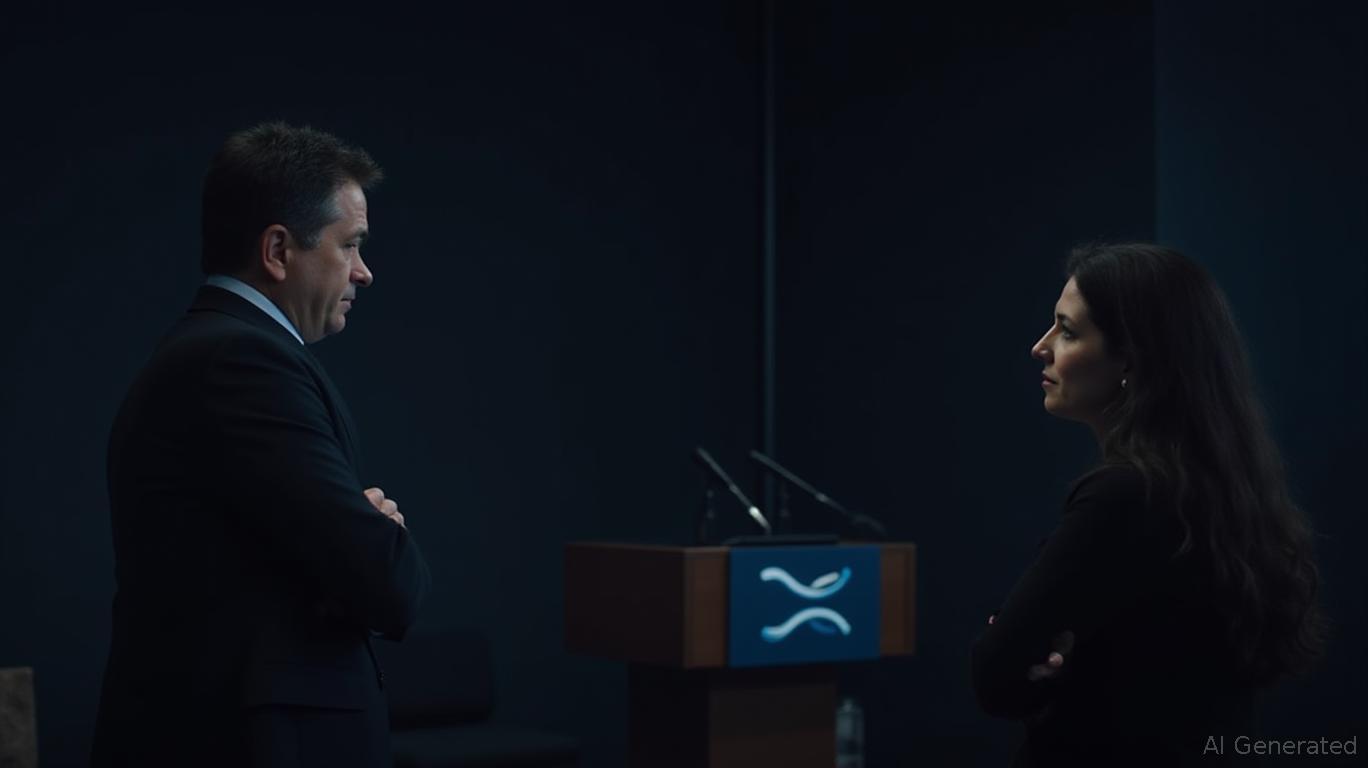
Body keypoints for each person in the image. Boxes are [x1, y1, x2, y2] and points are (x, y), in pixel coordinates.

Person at [92, 123, 431, 768]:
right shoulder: (244, 363)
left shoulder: (217, 354)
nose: (364, 271)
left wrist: (346, 549)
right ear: (278, 250)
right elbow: (388, 583)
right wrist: (376, 535)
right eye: (350, 244)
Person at [972, 243, 1324, 766]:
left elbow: (995, 676)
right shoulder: (1218, 488)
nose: (1040, 347)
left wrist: (1042, 655)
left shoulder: (1125, 495)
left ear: (1132, 358)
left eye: (1067, 331)